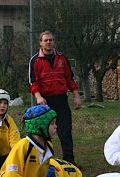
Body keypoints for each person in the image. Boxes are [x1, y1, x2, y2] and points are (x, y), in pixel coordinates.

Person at [28, 30, 81, 164]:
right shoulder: (35, 60)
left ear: (53, 42)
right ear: (41, 43)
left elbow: (70, 78)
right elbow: (33, 82)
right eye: (45, 40)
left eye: (50, 40)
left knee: (65, 131)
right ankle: (45, 162)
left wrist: (76, 96)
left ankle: (70, 162)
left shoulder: (62, 58)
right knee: (45, 132)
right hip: (44, 101)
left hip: (62, 100)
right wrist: (38, 96)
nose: (48, 42)